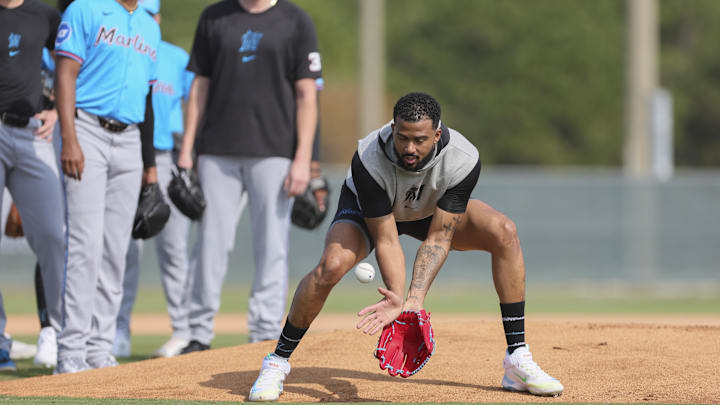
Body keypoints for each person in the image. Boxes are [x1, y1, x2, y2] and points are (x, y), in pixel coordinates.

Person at [247, 93, 564, 401]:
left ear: (437, 134)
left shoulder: (463, 159)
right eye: (402, 138)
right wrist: (397, 295)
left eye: (420, 140)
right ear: (393, 129)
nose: (409, 148)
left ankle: (517, 358)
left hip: (428, 213)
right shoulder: (369, 157)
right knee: (331, 265)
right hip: (371, 214)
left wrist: (413, 302)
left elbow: (439, 237)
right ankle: (277, 361)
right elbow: (386, 237)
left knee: (504, 232)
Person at [176, 0, 321, 350]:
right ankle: (198, 332)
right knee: (210, 244)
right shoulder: (215, 16)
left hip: (274, 151)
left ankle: (263, 333)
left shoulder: (295, 19)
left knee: (272, 244)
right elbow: (199, 87)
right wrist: (187, 149)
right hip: (216, 150)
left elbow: (307, 94)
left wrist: (304, 158)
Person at [54, 0, 160, 373]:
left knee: (116, 250)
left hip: (130, 139)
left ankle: (100, 346)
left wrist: (150, 166)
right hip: (86, 129)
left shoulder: (149, 25)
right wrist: (69, 138)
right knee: (85, 245)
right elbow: (64, 73)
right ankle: (70, 352)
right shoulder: (85, 8)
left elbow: (147, 100)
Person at [112, 0, 196, 359]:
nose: (143, 19)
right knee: (124, 251)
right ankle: (117, 332)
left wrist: (191, 155)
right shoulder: (120, 46)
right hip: (130, 150)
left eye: (149, 14)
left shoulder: (177, 57)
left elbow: (196, 103)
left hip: (168, 156)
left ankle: (183, 330)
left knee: (173, 250)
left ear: (157, 17)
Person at [0, 0, 64, 373]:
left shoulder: (45, 15)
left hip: (31, 133)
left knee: (54, 236)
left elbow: (70, 64)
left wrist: (58, 108)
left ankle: (58, 332)